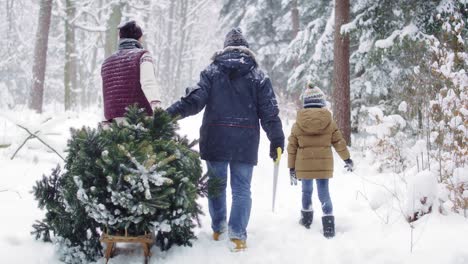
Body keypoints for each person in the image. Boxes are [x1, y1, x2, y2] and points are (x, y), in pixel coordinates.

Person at [166, 28, 284, 251]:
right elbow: (269, 112)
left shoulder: (212, 71)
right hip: (245, 140)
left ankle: (219, 228)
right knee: (241, 189)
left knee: (216, 186)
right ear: (247, 49)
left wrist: (169, 114)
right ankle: (237, 235)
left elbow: (195, 100)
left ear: (225, 47)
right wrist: (276, 139)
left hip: (216, 137)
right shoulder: (258, 76)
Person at [287, 82, 354, 238]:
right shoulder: (329, 122)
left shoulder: (298, 123)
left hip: (304, 165)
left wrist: (291, 168)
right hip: (324, 165)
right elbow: (339, 142)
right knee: (324, 194)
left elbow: (292, 147)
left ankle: (306, 219)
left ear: (306, 102)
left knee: (306, 191)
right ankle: (328, 225)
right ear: (321, 102)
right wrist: (347, 158)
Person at [101, 20, 159, 122]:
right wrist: (158, 110)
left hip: (114, 121)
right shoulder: (142, 56)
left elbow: (106, 95)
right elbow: (148, 83)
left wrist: (104, 122)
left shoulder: (107, 62)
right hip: (140, 119)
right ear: (139, 37)